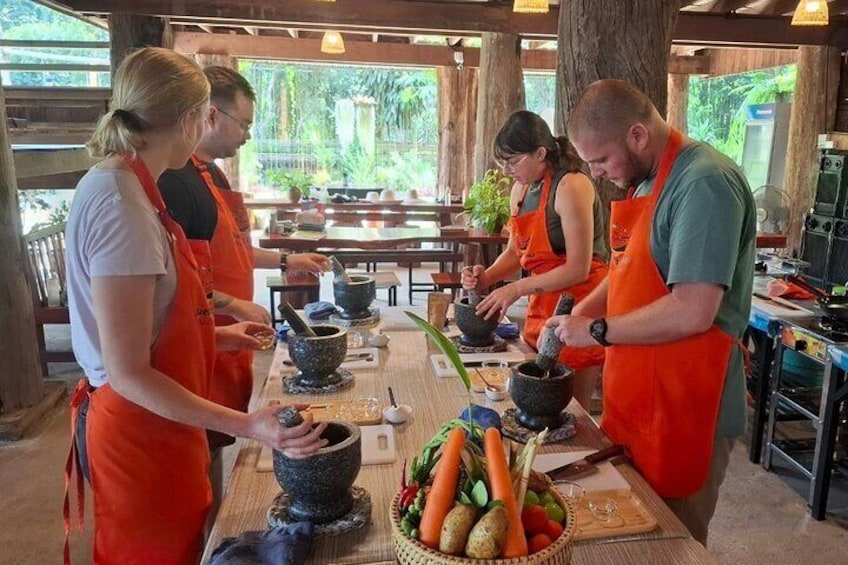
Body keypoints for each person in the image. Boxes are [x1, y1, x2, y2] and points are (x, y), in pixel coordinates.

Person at [63, 48, 327, 564]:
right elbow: (128, 372)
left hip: (165, 419)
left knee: (190, 543)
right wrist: (249, 424)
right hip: (140, 431)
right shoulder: (122, 206)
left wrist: (218, 334)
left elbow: (149, 325)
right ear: (190, 118)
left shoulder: (132, 188)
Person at [548, 79, 756, 545]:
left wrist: (597, 330)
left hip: (687, 407)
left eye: (600, 160)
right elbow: (626, 273)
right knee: (629, 531)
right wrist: (579, 312)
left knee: (669, 542)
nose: (596, 175)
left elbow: (693, 310)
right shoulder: (644, 180)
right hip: (640, 398)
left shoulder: (704, 183)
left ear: (638, 135)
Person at [157, 66, 329, 507]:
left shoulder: (211, 176)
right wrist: (233, 304)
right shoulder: (175, 183)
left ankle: (214, 516)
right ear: (210, 116)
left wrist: (289, 258)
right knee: (194, 458)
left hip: (227, 335)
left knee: (215, 448)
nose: (248, 135)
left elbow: (232, 250)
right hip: (200, 341)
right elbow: (178, 280)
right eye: (245, 124)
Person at [461, 110, 608, 410]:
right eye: (503, 162)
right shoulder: (520, 189)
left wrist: (516, 289)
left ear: (540, 153)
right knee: (537, 396)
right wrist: (486, 277)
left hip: (581, 301)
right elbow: (517, 252)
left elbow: (578, 269)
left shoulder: (572, 186)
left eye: (513, 161)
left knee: (570, 409)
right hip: (542, 302)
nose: (506, 170)